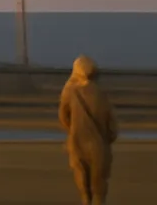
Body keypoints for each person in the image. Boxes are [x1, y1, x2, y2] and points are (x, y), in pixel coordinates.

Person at [58, 55, 119, 205]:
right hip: (99, 145)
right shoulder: (101, 94)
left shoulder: (71, 91)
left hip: (77, 142)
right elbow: (112, 125)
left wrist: (72, 130)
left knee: (83, 181)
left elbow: (63, 115)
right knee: (99, 186)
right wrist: (107, 139)